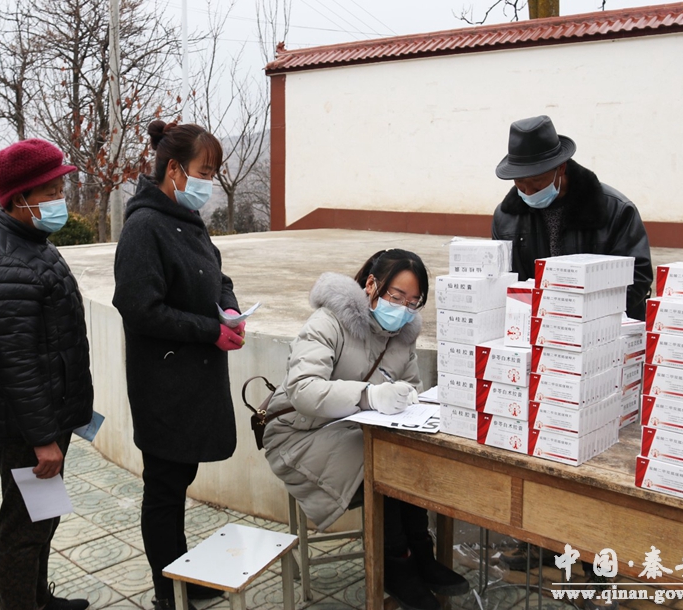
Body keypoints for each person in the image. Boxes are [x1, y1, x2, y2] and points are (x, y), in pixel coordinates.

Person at [262, 250, 470, 610]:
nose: (403, 309)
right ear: (372, 284)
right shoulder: (328, 321)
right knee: (384, 461)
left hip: (354, 429)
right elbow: (303, 390)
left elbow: (410, 386)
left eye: (413, 302)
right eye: (396, 296)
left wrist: (407, 398)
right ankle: (397, 564)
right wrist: (369, 396)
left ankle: (421, 554)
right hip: (299, 432)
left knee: (411, 453)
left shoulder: (402, 336)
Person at [112, 120, 245, 610]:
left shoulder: (187, 220)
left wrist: (228, 308)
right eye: (204, 172)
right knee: (164, 492)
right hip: (164, 387)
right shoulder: (144, 227)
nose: (210, 182)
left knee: (178, 483)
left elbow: (218, 275)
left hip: (193, 381)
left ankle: (182, 575)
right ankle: (168, 593)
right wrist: (209, 330)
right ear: (174, 170)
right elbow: (139, 309)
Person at [0, 139, 94, 610]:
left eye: (59, 187)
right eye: (50, 191)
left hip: (45, 414)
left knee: (43, 516)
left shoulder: (29, 242)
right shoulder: (6, 262)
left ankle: (39, 598)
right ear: (19, 198)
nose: (60, 198)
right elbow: (17, 364)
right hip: (26, 428)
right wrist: (42, 438)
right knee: (24, 528)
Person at [491, 115, 652, 320]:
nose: (528, 191)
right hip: (533, 325)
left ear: (561, 168)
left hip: (603, 325)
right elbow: (503, 280)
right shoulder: (506, 218)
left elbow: (637, 276)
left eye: (537, 182)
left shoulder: (615, 210)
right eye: (520, 183)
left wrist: (581, 318)